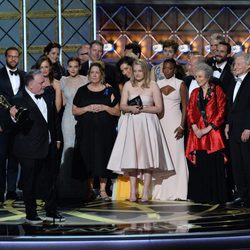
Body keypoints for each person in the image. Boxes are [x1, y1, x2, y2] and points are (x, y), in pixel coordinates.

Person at [107, 59, 175, 202]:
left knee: (148, 157)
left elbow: (159, 108)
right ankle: (133, 192)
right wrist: (130, 108)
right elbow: (122, 106)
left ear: (145, 71)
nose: (138, 74)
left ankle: (145, 192)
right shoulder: (128, 85)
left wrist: (143, 109)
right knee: (133, 157)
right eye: (135, 71)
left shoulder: (153, 85)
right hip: (132, 124)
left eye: (140, 70)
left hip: (148, 123)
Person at [11, 70, 65, 225]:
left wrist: (57, 139)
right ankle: (31, 214)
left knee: (49, 180)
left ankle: (51, 211)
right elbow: (12, 125)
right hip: (28, 148)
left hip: (48, 145)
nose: (45, 84)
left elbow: (53, 119)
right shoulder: (18, 100)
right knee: (30, 182)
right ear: (30, 84)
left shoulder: (48, 94)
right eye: (41, 82)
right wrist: (13, 117)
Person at [72, 61, 120, 201]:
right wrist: (87, 108)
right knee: (88, 159)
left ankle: (103, 190)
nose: (94, 75)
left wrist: (105, 107)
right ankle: (90, 189)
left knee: (103, 159)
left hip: (105, 132)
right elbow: (74, 110)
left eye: (97, 72)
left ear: (101, 75)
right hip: (86, 132)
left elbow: (117, 112)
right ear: (88, 75)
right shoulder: (82, 90)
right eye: (92, 72)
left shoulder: (109, 90)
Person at [186, 63, 227, 204]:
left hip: (212, 133)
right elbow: (190, 111)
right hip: (197, 134)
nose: (197, 79)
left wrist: (208, 129)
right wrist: (195, 128)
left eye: (200, 76)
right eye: (196, 76)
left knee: (213, 164)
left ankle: (214, 196)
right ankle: (200, 195)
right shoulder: (194, 93)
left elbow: (221, 111)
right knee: (200, 164)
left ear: (208, 77)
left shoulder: (218, 91)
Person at [153, 58, 189, 201]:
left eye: (170, 68)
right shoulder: (156, 84)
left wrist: (182, 126)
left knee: (176, 155)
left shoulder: (180, 84)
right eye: (165, 69)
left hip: (175, 124)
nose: (167, 71)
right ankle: (159, 191)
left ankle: (178, 191)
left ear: (174, 70)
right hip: (160, 124)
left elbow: (186, 107)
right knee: (161, 156)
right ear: (162, 70)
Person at [58, 57, 88, 199]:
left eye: (75, 66)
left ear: (79, 67)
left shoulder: (85, 80)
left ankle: (80, 185)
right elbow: (63, 102)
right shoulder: (63, 80)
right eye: (70, 66)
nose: (73, 69)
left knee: (81, 148)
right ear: (67, 67)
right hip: (68, 117)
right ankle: (65, 185)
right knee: (68, 147)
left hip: (83, 116)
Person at [0, 47, 26, 205]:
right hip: (2, 124)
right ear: (5, 58)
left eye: (16, 57)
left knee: (15, 159)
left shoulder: (24, 75)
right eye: (10, 57)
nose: (13, 59)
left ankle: (11, 191)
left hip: (19, 124)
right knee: (1, 158)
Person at [225, 53, 250, 208]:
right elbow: (231, 107)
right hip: (234, 129)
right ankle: (241, 195)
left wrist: (249, 127)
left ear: (248, 66)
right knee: (237, 164)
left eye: (239, 64)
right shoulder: (234, 82)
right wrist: (227, 124)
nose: (236, 66)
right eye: (235, 64)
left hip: (246, 129)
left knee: (247, 163)